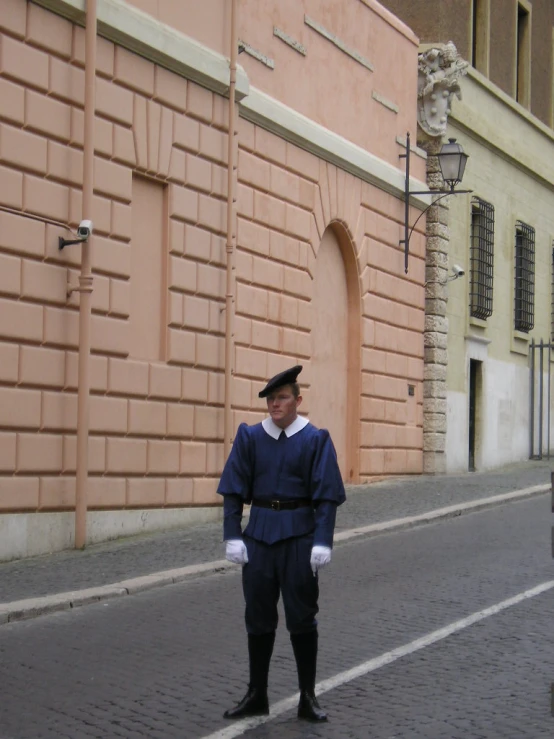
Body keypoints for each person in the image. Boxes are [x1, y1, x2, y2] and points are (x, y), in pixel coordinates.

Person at [217, 364, 346, 722]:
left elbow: (327, 497)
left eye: (283, 398)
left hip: (299, 538)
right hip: (258, 537)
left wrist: (323, 541)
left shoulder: (315, 440)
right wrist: (232, 535)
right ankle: (257, 693)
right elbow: (232, 489)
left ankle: (308, 696)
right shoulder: (250, 437)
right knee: (257, 617)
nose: (275, 404)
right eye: (271, 399)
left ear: (297, 400)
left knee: (302, 618)